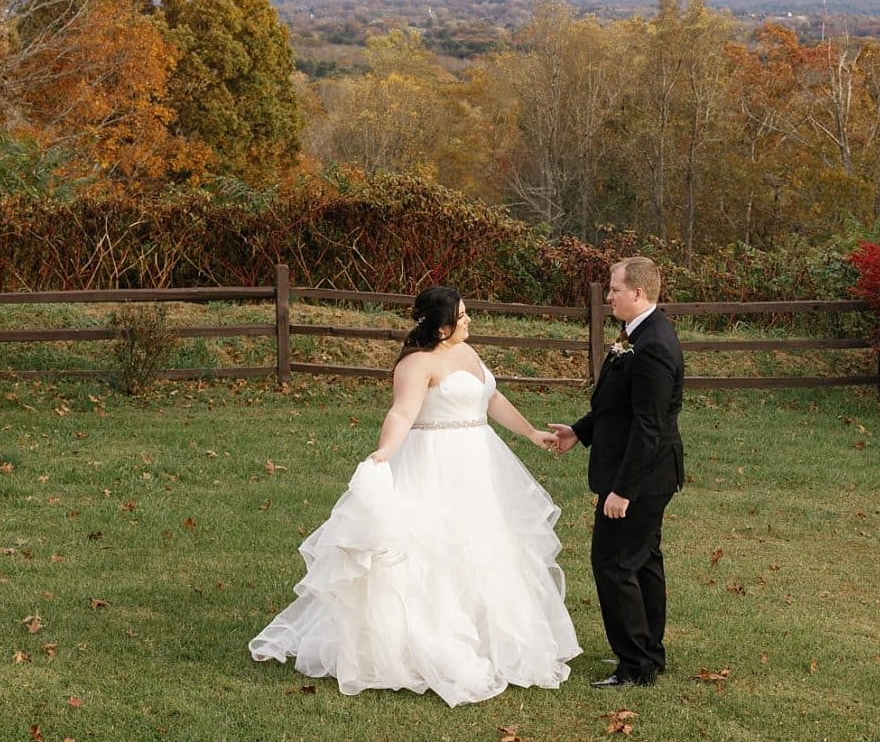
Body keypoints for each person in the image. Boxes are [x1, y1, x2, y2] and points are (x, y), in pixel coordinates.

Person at [248, 283, 581, 706]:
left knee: (487, 548)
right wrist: (385, 452)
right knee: (433, 550)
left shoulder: (469, 353)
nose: (468, 321)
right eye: (461, 317)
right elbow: (402, 412)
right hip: (434, 462)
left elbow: (490, 397)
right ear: (440, 328)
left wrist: (531, 432)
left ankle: (493, 639)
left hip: (479, 462)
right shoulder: (416, 364)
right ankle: (427, 641)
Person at [548, 254, 684, 688]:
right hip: (643, 471)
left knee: (615, 564)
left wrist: (623, 490)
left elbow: (650, 425)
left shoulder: (653, 345)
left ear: (638, 293)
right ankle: (648, 654)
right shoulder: (635, 334)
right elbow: (618, 408)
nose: (608, 297)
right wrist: (579, 431)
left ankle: (634, 665)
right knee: (642, 562)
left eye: (614, 290)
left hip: (639, 476)